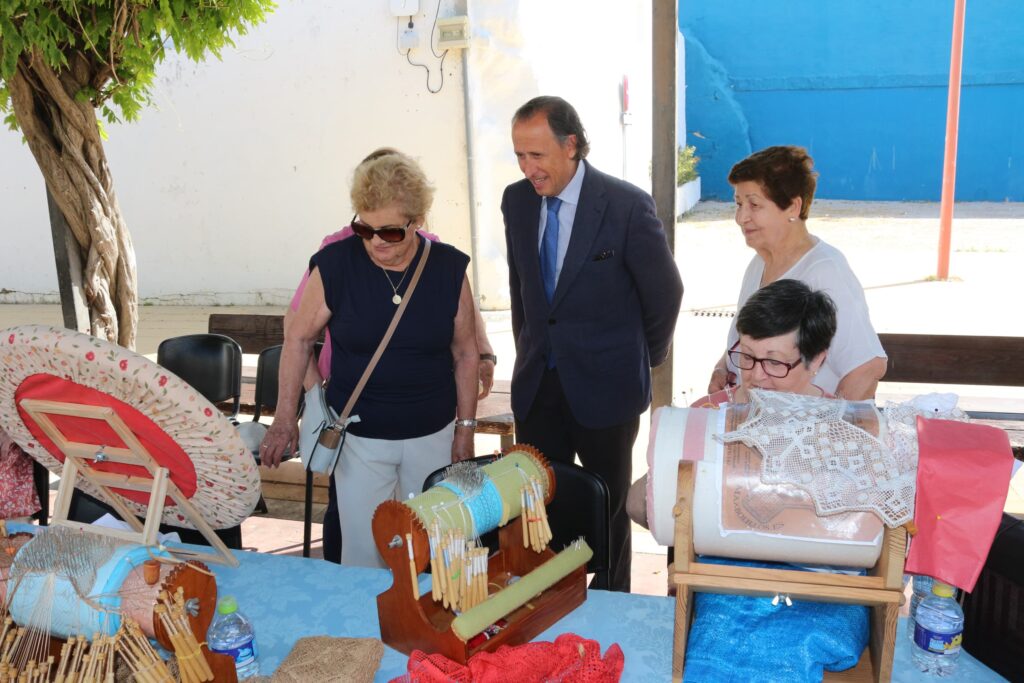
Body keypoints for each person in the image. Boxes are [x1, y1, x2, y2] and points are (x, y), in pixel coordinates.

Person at [262, 151, 479, 568]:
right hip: (359, 437)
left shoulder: (448, 267)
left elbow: (466, 351)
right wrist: (285, 417)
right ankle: (365, 632)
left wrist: (465, 429)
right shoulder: (335, 264)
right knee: (365, 552)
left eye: (392, 232)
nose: (376, 241)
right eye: (365, 227)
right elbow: (298, 338)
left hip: (433, 433)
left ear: (417, 222)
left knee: (435, 549)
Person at [502, 96, 683, 592]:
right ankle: (551, 601)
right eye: (519, 155)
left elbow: (664, 294)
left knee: (606, 507)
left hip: (608, 390)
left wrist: (643, 357)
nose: (527, 168)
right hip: (540, 386)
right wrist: (528, 351)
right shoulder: (516, 201)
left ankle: (610, 606)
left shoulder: (625, 205)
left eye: (537, 155)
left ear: (572, 145)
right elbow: (524, 293)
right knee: (539, 508)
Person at [627, 278, 837, 529]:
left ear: (816, 361)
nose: (756, 376)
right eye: (747, 356)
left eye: (774, 363)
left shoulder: (843, 426)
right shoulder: (706, 414)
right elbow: (638, 506)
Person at [708, 146, 886, 401]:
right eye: (738, 204)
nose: (741, 217)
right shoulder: (758, 263)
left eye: (754, 205)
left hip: (800, 433)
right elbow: (751, 340)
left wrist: (825, 432)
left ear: (793, 207)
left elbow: (867, 368)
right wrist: (723, 366)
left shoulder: (826, 271)